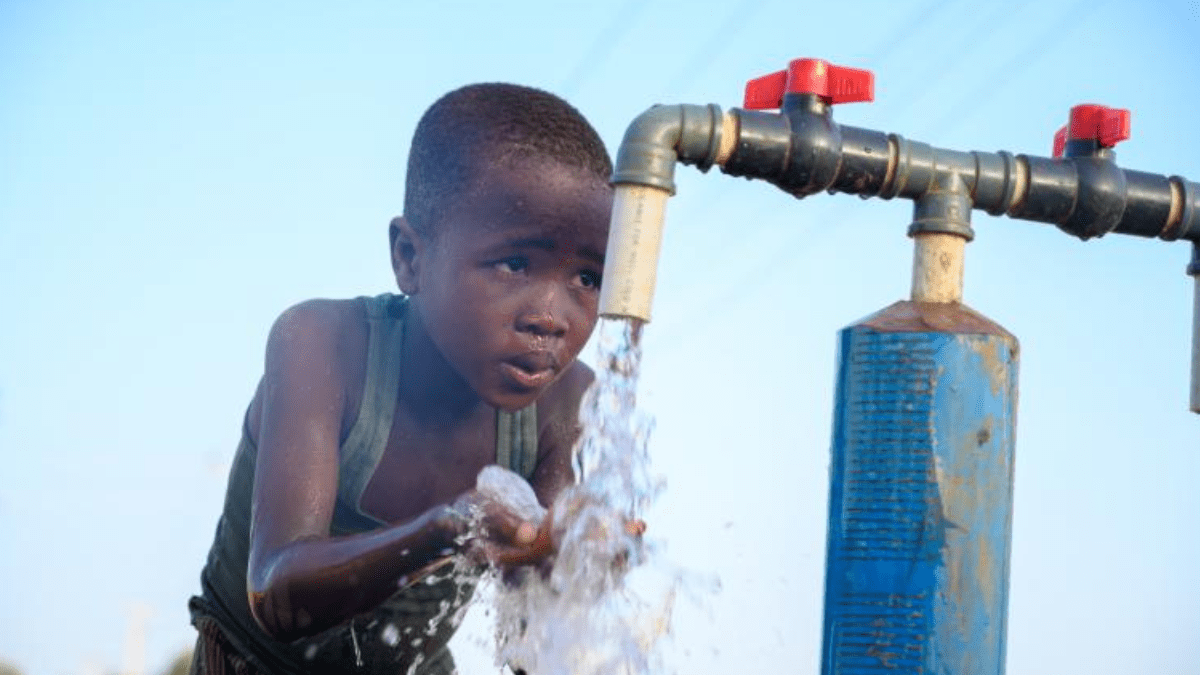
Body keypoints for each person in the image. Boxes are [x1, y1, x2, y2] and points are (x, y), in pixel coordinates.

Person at [188, 82, 614, 674]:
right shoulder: (323, 345)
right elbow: (275, 595)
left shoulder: (565, 402)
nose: (550, 316)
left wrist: (575, 564)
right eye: (515, 263)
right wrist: (447, 529)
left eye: (588, 279)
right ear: (410, 257)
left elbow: (529, 644)